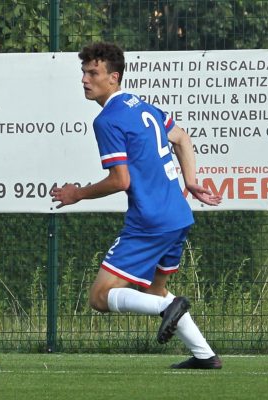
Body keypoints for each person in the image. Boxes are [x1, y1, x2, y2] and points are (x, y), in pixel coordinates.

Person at [50, 42, 223, 369]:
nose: (85, 80)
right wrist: (190, 180)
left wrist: (78, 194)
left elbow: (121, 180)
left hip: (150, 221)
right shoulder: (141, 105)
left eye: (93, 73)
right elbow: (182, 139)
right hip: (178, 215)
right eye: (83, 73)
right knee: (154, 289)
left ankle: (167, 311)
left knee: (100, 297)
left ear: (113, 77)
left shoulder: (107, 120)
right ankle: (205, 355)